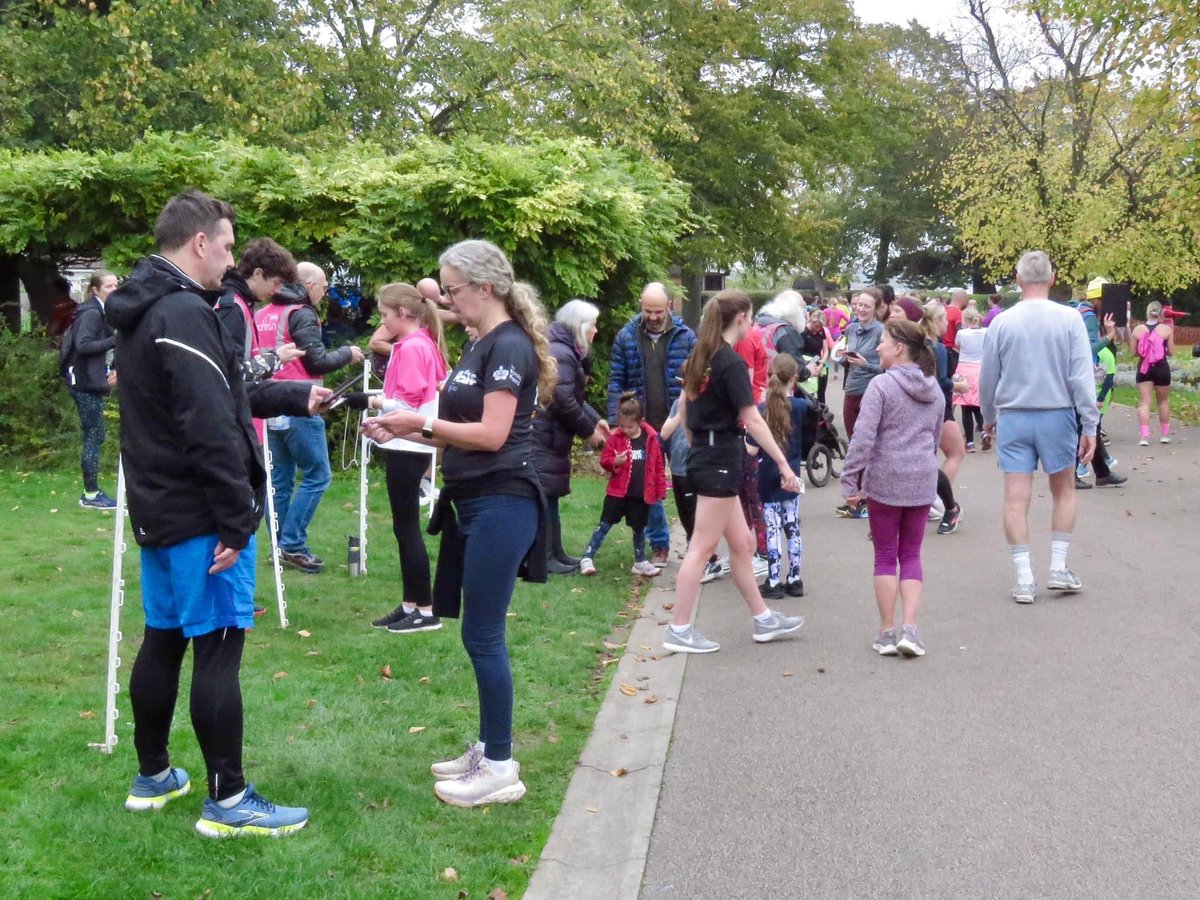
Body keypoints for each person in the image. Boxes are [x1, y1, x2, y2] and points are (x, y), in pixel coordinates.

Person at [106, 189, 318, 837]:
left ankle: (154, 775)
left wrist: (301, 395)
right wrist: (235, 518)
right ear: (199, 242)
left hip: (160, 508)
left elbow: (224, 395)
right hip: (200, 516)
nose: (230, 260)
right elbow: (209, 426)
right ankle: (228, 800)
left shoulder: (144, 309)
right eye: (226, 246)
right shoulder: (182, 312)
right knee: (219, 647)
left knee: (163, 638)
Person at [362, 239, 555, 808]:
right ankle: (490, 746)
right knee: (478, 633)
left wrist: (421, 425)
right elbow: (453, 424)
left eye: (451, 290)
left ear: (484, 287)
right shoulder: (480, 344)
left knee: (483, 634)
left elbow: (493, 435)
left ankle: (500, 766)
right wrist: (404, 427)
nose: (445, 301)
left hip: (504, 500)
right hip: (472, 499)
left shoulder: (510, 346)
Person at [661, 290, 805, 655]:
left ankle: (763, 619)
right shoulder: (729, 363)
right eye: (751, 317)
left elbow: (685, 406)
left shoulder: (702, 356)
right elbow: (753, 419)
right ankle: (679, 628)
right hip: (720, 461)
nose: (753, 323)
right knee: (701, 548)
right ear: (740, 317)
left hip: (711, 456)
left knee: (742, 544)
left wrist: (698, 444)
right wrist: (785, 464)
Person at [979, 251, 1098, 604]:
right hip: (1056, 413)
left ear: (1017, 280)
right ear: (1052, 277)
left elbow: (988, 377)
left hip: (1014, 415)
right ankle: (1058, 567)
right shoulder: (1069, 319)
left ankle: (1024, 577)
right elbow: (1081, 376)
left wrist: (988, 417)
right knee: (1063, 490)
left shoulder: (1001, 322)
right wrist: (1089, 423)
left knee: (1016, 497)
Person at [842, 319, 943, 658]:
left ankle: (886, 633)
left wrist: (850, 480)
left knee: (886, 555)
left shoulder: (881, 386)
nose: (878, 347)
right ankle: (911, 630)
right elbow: (935, 440)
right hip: (921, 479)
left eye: (883, 341)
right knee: (912, 554)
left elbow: (862, 438)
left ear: (899, 347)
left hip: (885, 479)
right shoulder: (934, 388)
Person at [255, 262, 365, 574]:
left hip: (266, 402)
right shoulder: (300, 312)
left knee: (279, 481)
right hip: (300, 403)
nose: (326, 292)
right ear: (311, 286)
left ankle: (279, 546)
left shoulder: (264, 313)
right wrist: (348, 353)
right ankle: (291, 544)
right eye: (325, 286)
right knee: (318, 474)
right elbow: (316, 359)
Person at [352, 283, 449, 633]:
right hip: (409, 443)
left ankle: (424, 609)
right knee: (403, 527)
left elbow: (405, 405)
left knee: (407, 528)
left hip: (409, 444)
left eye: (384, 315)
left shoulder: (411, 347)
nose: (383, 322)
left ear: (403, 313)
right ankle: (411, 603)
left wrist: (372, 403)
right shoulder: (421, 342)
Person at [607, 282, 696, 565]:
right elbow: (616, 382)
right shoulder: (626, 337)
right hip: (641, 426)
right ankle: (659, 544)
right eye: (648, 311)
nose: (654, 317)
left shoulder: (686, 337)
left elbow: (698, 377)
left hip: (679, 424)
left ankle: (698, 546)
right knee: (649, 488)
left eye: (658, 311)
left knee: (686, 485)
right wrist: (615, 422)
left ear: (669, 305)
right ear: (640, 305)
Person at [532, 299, 609, 574]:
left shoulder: (563, 350)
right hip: (544, 435)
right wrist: (588, 431)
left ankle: (556, 553)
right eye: (593, 325)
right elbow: (562, 396)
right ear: (580, 327)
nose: (596, 331)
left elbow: (574, 397)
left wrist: (596, 419)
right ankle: (545, 558)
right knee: (544, 495)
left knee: (549, 494)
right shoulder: (562, 353)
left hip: (549, 434)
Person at [579, 392, 667, 577]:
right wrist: (615, 462)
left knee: (639, 528)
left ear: (641, 421)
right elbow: (605, 460)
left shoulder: (650, 440)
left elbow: (658, 466)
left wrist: (659, 490)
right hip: (617, 494)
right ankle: (587, 556)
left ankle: (640, 560)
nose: (625, 430)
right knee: (604, 524)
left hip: (640, 495)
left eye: (630, 426)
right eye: (622, 425)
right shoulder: (615, 439)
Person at [62, 270, 119, 509]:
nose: (114, 290)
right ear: (95, 290)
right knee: (94, 436)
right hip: (83, 382)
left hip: (90, 378)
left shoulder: (101, 311)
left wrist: (112, 367)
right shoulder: (92, 313)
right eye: (108, 286)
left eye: (116, 285)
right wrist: (117, 340)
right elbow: (83, 346)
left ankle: (91, 492)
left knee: (96, 435)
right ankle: (91, 494)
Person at [754, 354, 808, 600]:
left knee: (773, 527)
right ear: (794, 378)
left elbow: (752, 445)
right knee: (792, 526)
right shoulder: (800, 407)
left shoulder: (762, 410)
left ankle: (773, 580)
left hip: (767, 473)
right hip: (792, 474)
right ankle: (795, 578)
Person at [837, 289, 885, 519]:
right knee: (854, 444)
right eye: (858, 305)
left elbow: (885, 368)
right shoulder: (851, 328)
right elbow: (848, 359)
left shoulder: (881, 332)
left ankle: (867, 498)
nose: (861, 309)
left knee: (869, 445)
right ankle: (854, 497)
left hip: (871, 390)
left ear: (876, 308)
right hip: (851, 389)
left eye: (866, 306)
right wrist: (843, 357)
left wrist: (865, 364)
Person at [920, 300, 966, 535]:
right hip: (939, 408)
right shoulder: (937, 349)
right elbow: (940, 382)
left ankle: (932, 501)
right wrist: (958, 385)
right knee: (955, 453)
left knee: (927, 458)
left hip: (920, 408)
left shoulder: (916, 344)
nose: (947, 324)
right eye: (944, 320)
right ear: (937, 321)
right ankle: (937, 501)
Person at [1131, 301, 1174, 446]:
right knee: (1163, 401)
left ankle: (1144, 437)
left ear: (1147, 312)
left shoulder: (1137, 330)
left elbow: (1133, 352)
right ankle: (1164, 435)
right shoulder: (1166, 330)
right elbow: (1172, 352)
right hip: (1161, 367)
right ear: (1160, 312)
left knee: (1145, 402)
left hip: (1144, 367)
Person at [953, 307, 987, 451]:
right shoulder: (987, 332)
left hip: (964, 369)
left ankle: (970, 442)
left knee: (965, 406)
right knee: (978, 404)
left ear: (964, 319)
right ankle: (984, 430)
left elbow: (958, 348)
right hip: (980, 368)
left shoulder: (961, 333)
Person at [798, 309, 834, 404]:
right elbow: (800, 353)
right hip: (807, 364)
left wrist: (821, 364)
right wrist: (813, 364)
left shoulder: (821, 331)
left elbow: (826, 350)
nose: (817, 329)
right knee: (809, 394)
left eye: (820, 327)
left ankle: (823, 416)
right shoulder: (803, 332)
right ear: (811, 321)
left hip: (820, 362)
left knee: (821, 393)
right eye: (816, 326)